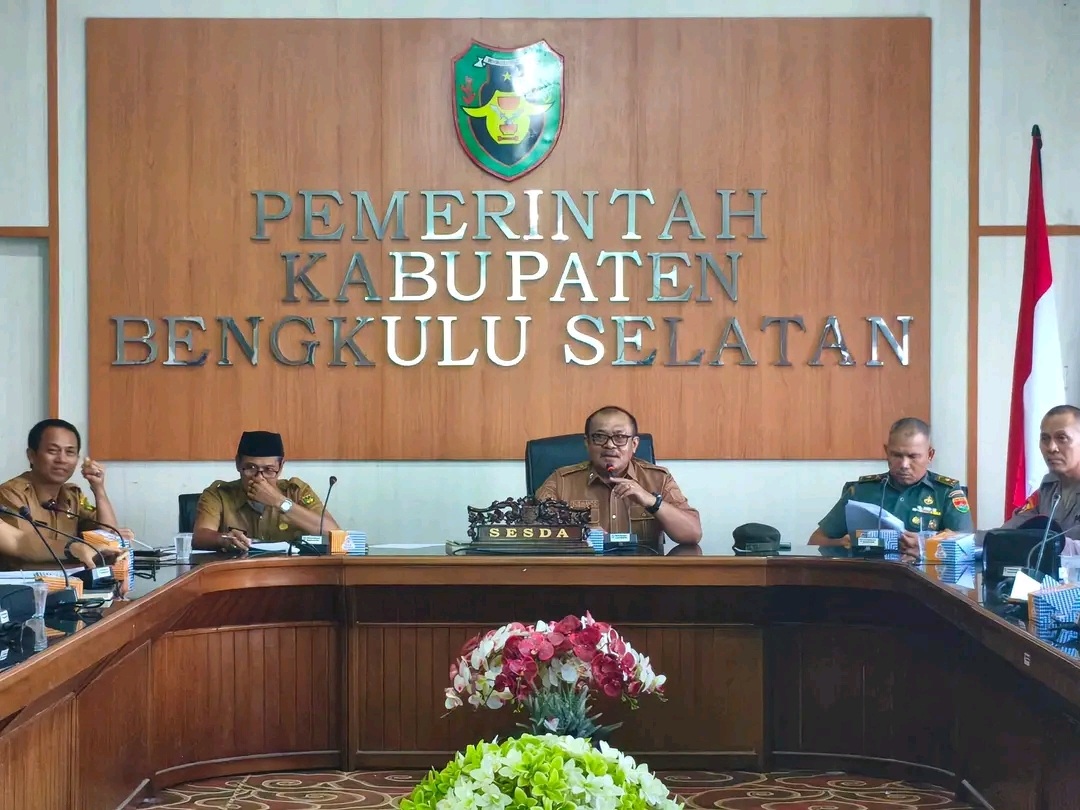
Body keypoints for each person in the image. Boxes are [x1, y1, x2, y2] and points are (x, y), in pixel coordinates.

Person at [534, 406, 702, 546]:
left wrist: (651, 501)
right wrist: (579, 532)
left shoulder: (659, 478)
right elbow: (531, 529)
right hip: (580, 577)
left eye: (620, 437)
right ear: (587, 443)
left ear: (634, 444)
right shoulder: (561, 481)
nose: (609, 445)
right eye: (599, 437)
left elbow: (692, 534)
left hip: (644, 578)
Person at [810, 417, 973, 556]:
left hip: (925, 587)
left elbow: (968, 549)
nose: (904, 464)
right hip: (868, 581)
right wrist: (843, 543)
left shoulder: (946, 492)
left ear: (930, 455)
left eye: (913, 456)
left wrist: (925, 546)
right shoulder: (862, 490)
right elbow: (815, 541)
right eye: (896, 455)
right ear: (886, 452)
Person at [0, 419, 123, 569]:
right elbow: (22, 544)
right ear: (31, 455)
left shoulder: (72, 496)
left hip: (70, 582)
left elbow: (107, 534)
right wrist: (73, 548)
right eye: (53, 451)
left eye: (70, 452)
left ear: (77, 459)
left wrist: (98, 489)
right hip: (23, 586)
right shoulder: (10, 494)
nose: (62, 459)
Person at [192, 431, 340, 551]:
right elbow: (200, 536)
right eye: (250, 468)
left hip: (292, 574)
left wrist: (279, 501)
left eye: (269, 470)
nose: (259, 478)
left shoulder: (297, 492)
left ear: (281, 466)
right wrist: (224, 539)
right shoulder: (218, 494)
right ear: (237, 463)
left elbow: (334, 533)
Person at [1000, 405, 1080, 541]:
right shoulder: (1048, 488)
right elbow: (1008, 532)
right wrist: (965, 539)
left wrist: (1047, 543)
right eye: (1045, 438)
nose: (1051, 448)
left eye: (1062, 438)